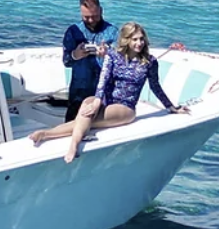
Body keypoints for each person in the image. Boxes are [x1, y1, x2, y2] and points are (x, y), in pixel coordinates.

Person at [32, 22, 186, 164]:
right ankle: (47, 134)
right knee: (87, 104)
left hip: (125, 106)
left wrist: (171, 107)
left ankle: (72, 145)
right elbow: (103, 80)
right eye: (135, 39)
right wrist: (98, 100)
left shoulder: (150, 62)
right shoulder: (113, 56)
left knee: (87, 117)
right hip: (106, 99)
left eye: (141, 39)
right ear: (126, 40)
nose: (139, 43)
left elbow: (155, 86)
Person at [61, 0, 115, 122]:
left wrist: (108, 54)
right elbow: (66, 61)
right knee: (71, 123)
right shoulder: (73, 32)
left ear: (101, 11)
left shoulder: (112, 32)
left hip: (103, 90)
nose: (91, 20)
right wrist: (75, 55)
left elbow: (121, 62)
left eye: (94, 16)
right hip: (79, 90)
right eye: (86, 17)